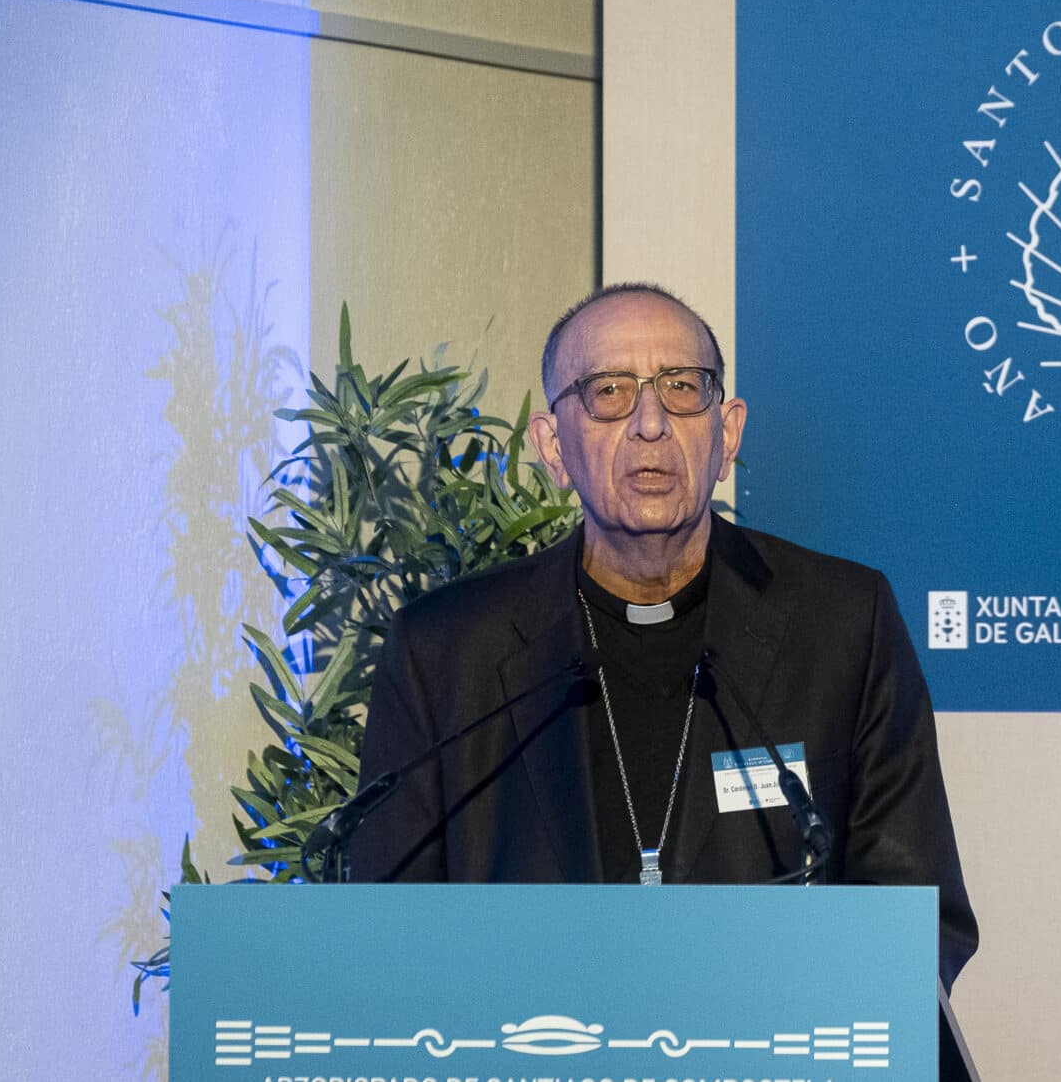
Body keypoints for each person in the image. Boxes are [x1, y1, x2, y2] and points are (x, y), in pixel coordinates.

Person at [349, 283, 978, 987]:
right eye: (609, 391)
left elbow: (917, 920)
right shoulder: (445, 652)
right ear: (553, 447)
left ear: (728, 432)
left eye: (683, 387)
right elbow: (388, 940)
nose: (651, 422)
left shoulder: (842, 624)